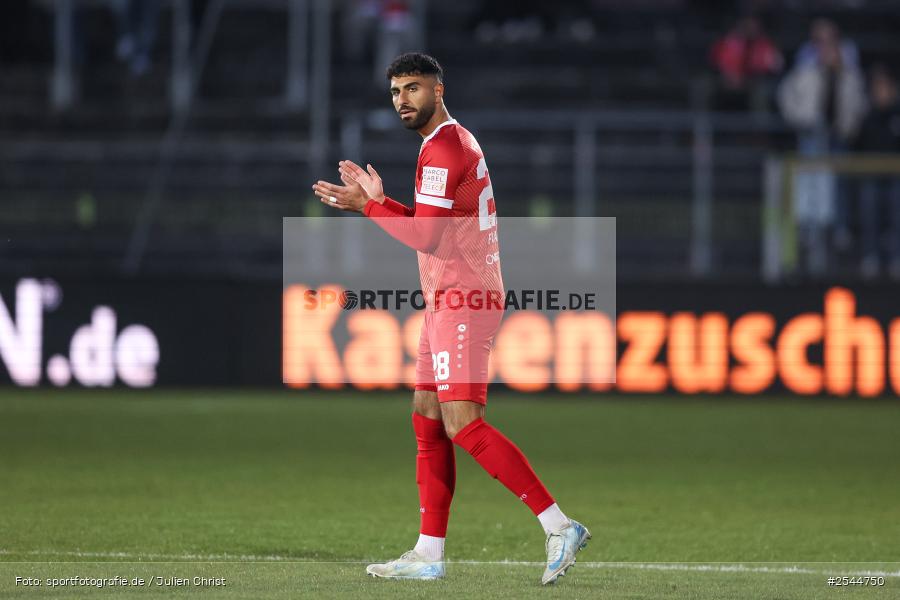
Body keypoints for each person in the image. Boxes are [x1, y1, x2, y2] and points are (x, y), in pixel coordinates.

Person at [311, 52, 590, 585]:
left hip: (467, 299)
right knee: (426, 414)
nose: (402, 101)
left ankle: (558, 525)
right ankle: (428, 552)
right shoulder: (444, 144)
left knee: (462, 422)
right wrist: (383, 201)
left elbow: (427, 237)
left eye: (413, 89)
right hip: (447, 298)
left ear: (438, 90)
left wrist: (365, 208)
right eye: (395, 92)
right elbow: (431, 224)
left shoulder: (441, 149)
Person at [777, 18, 867, 275]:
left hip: (838, 135)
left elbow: (858, 102)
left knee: (838, 183)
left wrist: (850, 125)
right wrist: (800, 120)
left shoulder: (849, 70)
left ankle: (839, 229)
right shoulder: (806, 67)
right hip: (812, 133)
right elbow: (787, 96)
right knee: (809, 182)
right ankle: (808, 229)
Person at [855, 65, 900, 280]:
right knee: (869, 211)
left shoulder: (896, 115)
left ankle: (895, 258)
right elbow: (858, 145)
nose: (880, 92)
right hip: (871, 175)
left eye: (884, 87)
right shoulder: (868, 117)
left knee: (896, 214)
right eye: (877, 87)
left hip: (896, 177)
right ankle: (870, 256)